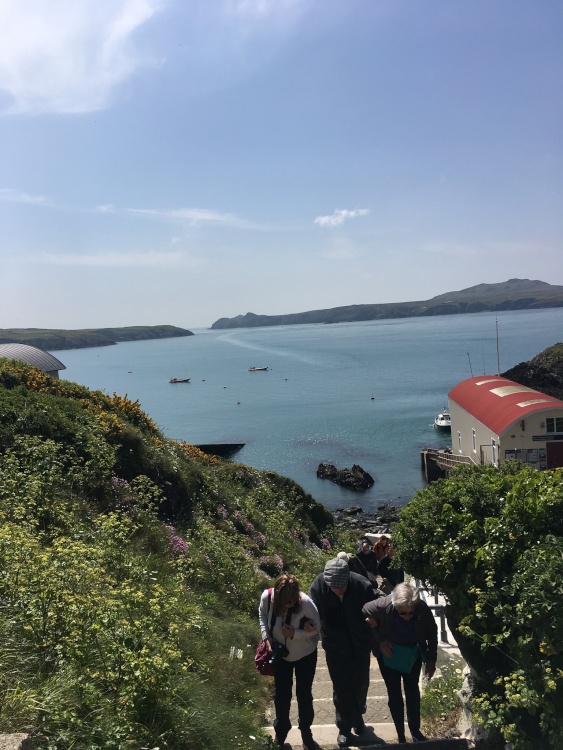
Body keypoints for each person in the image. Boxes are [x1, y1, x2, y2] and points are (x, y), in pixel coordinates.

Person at [309, 557, 377, 748]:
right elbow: (311, 611)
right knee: (341, 687)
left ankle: (358, 716)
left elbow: (376, 610)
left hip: (360, 645)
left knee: (360, 684)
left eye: (343, 586)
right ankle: (344, 728)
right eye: (336, 588)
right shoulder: (318, 587)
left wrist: (373, 621)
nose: (340, 590)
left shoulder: (362, 585)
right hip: (335, 647)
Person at [362, 583, 437, 744]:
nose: (408, 616)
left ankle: (415, 731)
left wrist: (432, 660)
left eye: (411, 613)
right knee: (394, 694)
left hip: (412, 655)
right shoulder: (383, 605)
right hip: (389, 655)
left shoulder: (421, 608)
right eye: (403, 613)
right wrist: (381, 639)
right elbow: (365, 609)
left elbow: (432, 632)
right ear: (395, 605)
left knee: (412, 692)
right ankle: (401, 735)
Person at [259, 573, 321, 750]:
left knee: (304, 694)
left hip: (305, 655)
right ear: (278, 598)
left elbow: (318, 628)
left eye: (294, 601)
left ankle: (306, 733)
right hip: (281, 656)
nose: (291, 605)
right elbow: (262, 615)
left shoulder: (306, 603)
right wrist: (267, 638)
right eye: (287, 603)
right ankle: (281, 732)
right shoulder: (267, 598)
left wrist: (295, 633)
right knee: (282, 695)